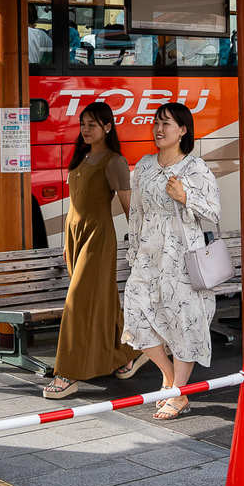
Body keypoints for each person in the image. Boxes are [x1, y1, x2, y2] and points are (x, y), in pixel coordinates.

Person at [121, 102, 221, 420]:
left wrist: (185, 196)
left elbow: (214, 212)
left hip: (182, 257)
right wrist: (134, 252)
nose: (159, 129)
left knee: (185, 322)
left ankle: (179, 392)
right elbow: (136, 214)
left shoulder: (195, 168)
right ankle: (168, 376)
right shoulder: (145, 167)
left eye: (167, 124)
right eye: (157, 122)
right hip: (149, 256)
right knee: (136, 315)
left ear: (183, 130)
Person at [43, 102, 148, 399]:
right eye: (83, 124)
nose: (85, 129)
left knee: (76, 304)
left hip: (98, 239)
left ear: (107, 127)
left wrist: (140, 243)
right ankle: (128, 353)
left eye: (92, 124)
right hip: (74, 235)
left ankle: (67, 373)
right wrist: (66, 243)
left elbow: (129, 206)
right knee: (103, 301)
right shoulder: (81, 155)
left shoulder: (113, 161)